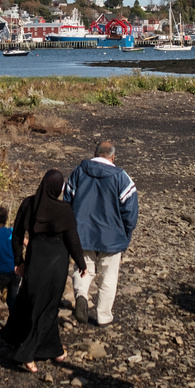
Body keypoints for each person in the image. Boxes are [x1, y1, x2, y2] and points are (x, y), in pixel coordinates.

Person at [1, 170, 87, 372]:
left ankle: (54, 350)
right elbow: (72, 240)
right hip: (56, 264)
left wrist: (19, 261)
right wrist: (81, 263)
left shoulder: (28, 204)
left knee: (32, 301)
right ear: (57, 189)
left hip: (35, 260)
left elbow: (17, 235)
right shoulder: (63, 209)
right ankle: (27, 353)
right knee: (48, 307)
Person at [64, 140, 138, 327]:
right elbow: (130, 210)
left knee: (83, 268)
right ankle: (104, 316)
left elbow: (67, 200)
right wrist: (126, 232)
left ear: (95, 153)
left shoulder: (79, 171)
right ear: (113, 157)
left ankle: (81, 295)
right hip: (111, 236)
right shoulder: (121, 177)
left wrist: (69, 229)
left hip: (81, 233)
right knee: (108, 276)